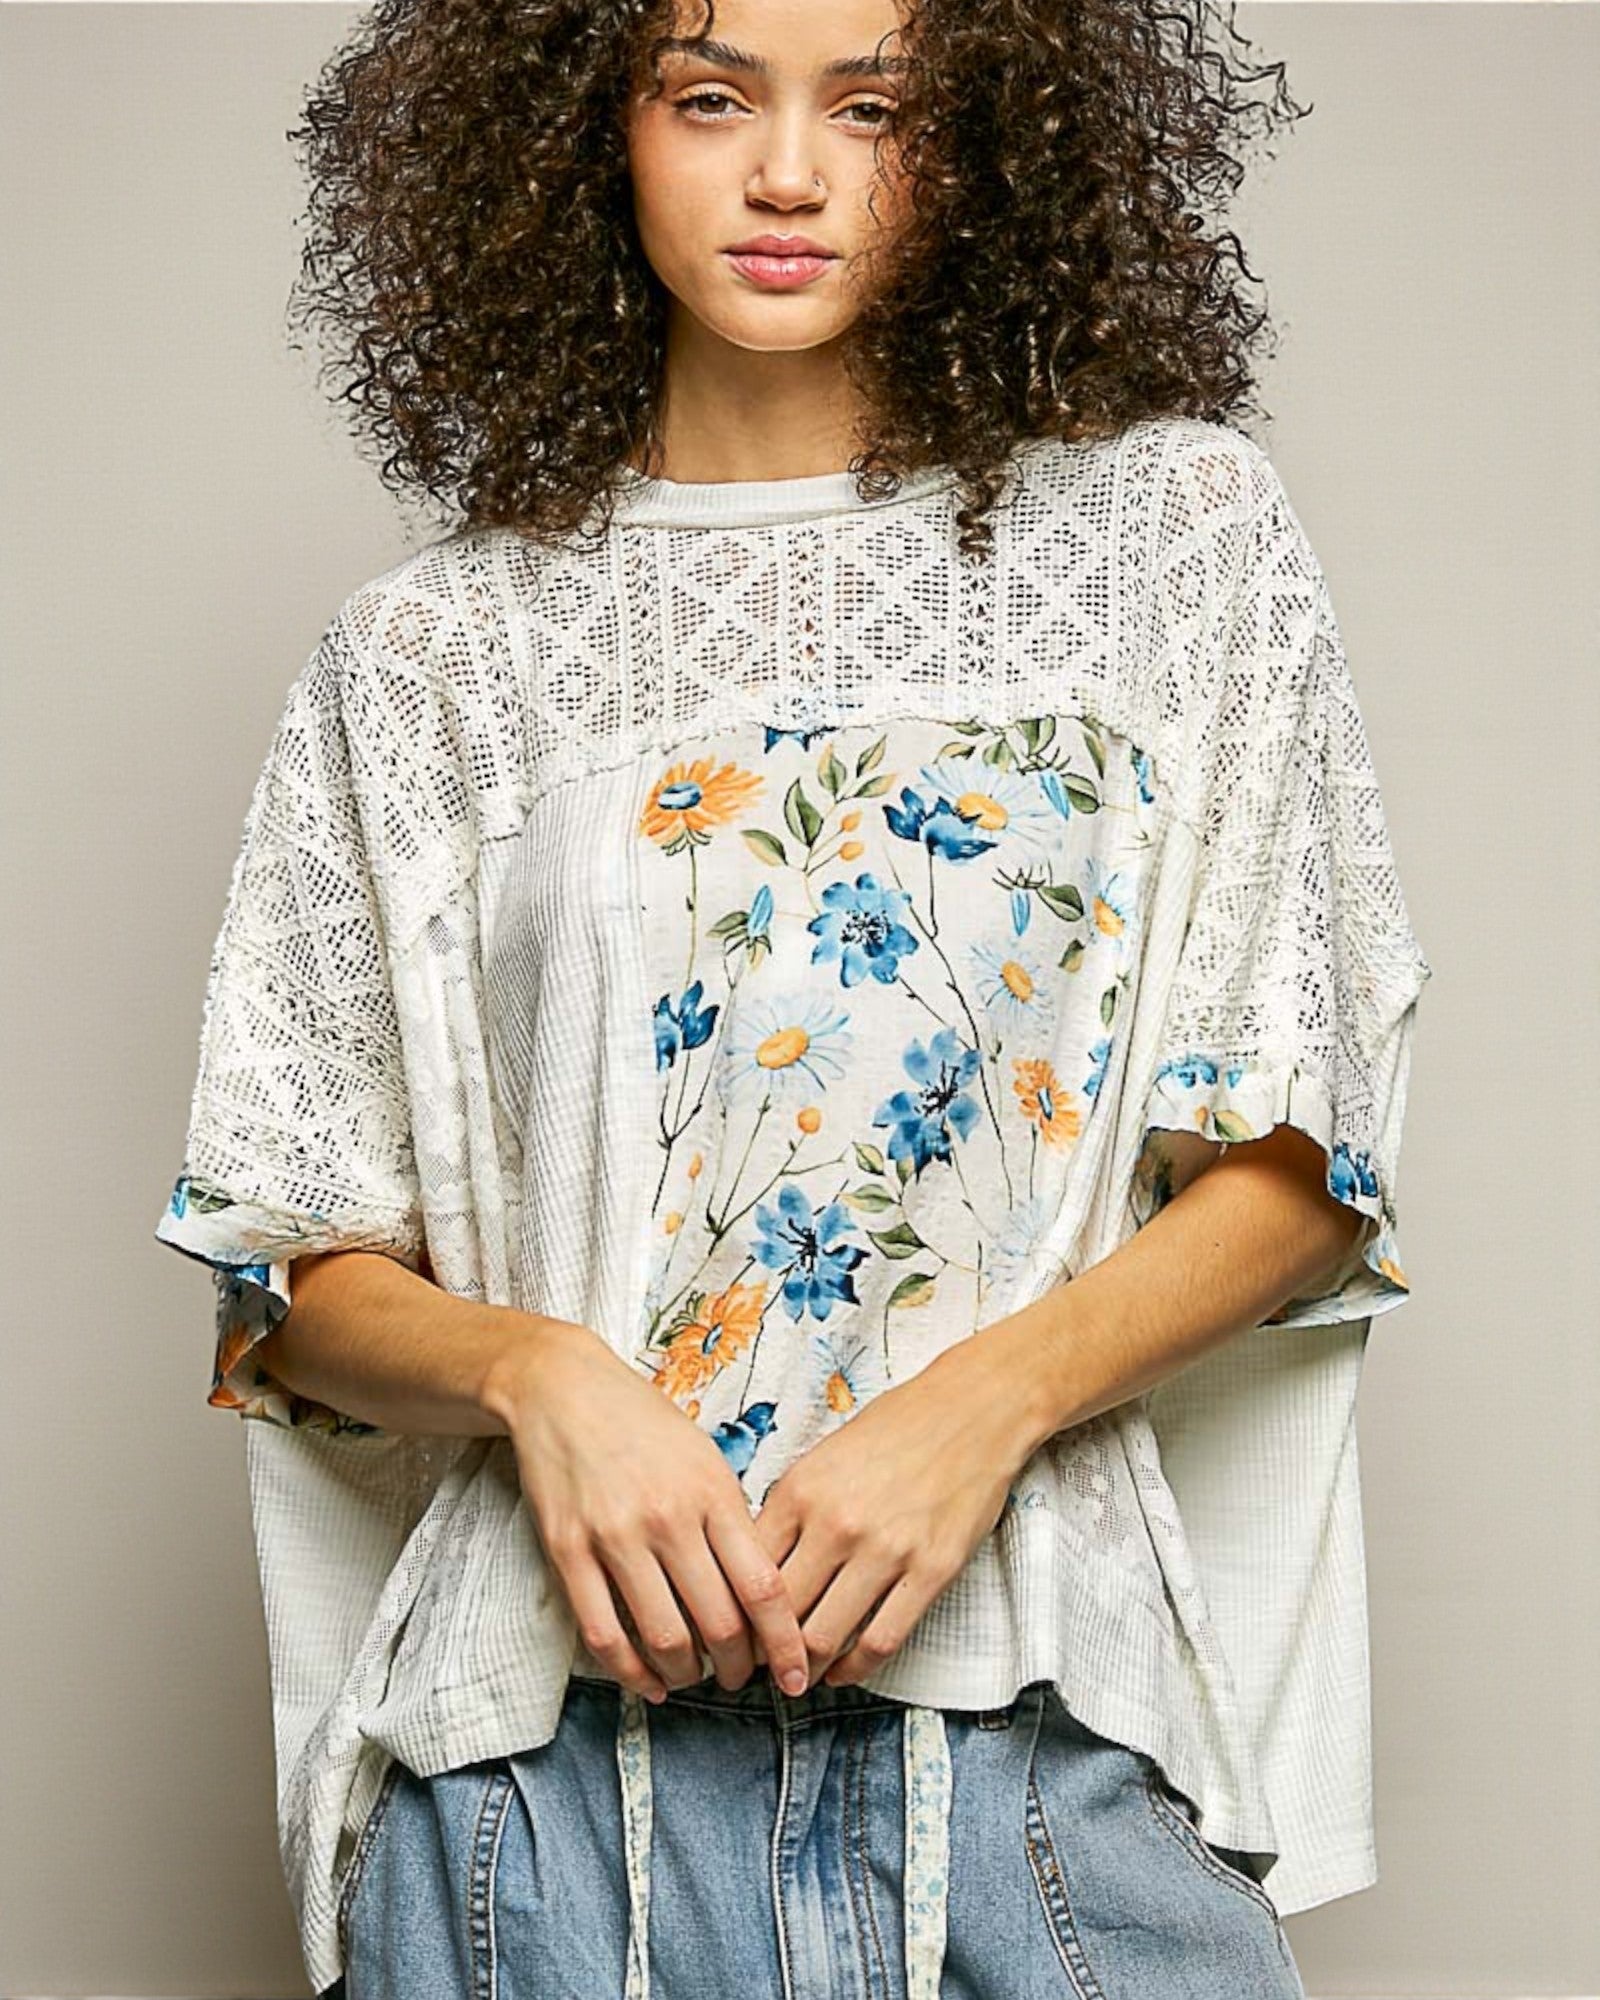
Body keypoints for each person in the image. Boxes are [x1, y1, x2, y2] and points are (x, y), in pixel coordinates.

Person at [152, 0, 1434, 1994]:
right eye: (708, 95)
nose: (783, 171)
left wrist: (977, 1405)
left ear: (988, 146)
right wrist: (539, 1379)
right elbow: (287, 1264)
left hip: (1031, 1753)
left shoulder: (1173, 545)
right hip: (537, 1795)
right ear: (587, 132)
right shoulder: (427, 658)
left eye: (871, 105)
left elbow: (1301, 1154)